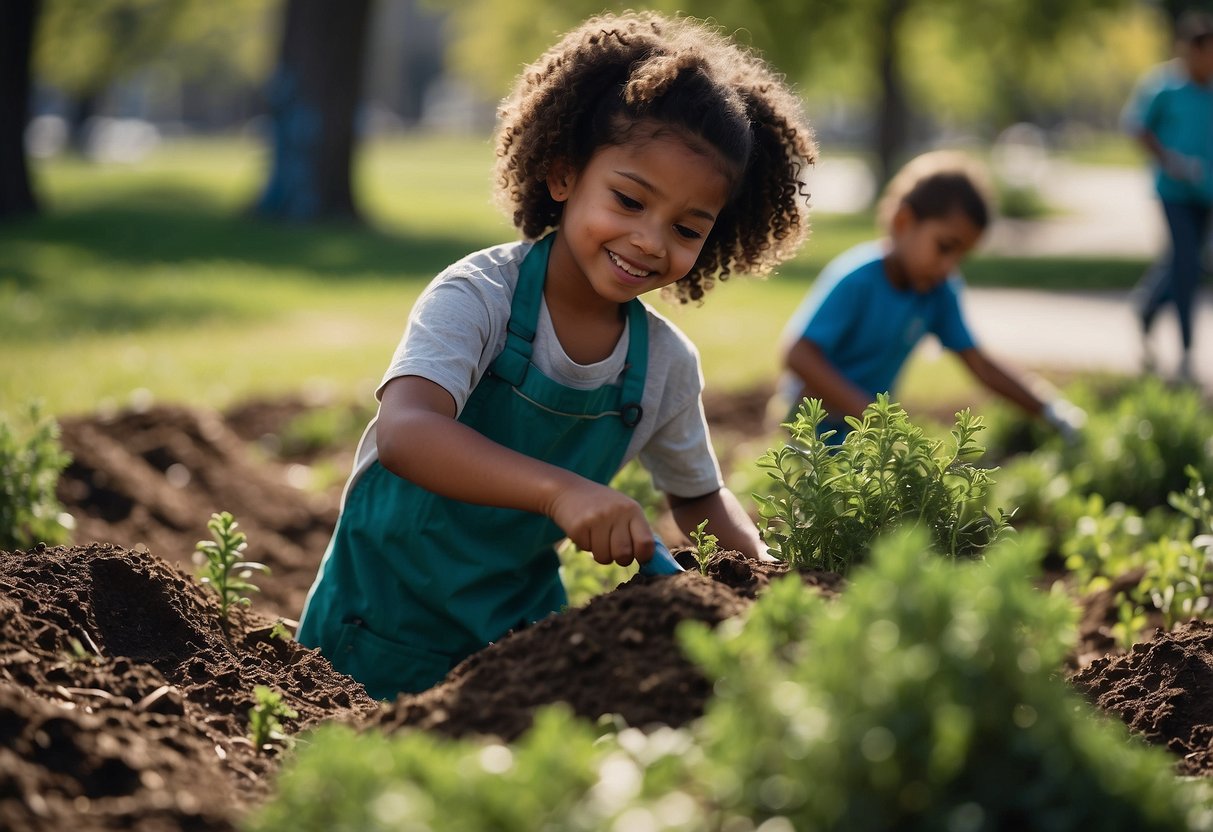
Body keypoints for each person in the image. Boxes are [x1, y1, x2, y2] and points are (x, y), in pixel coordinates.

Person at [296, 12, 817, 699]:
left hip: (515, 637)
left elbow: (699, 498)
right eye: (628, 200)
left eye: (687, 227)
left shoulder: (663, 363)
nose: (649, 241)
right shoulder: (476, 298)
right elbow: (407, 433)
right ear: (564, 174)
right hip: (376, 627)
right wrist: (562, 491)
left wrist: (768, 590)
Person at [777, 150, 1085, 444]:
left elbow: (980, 364)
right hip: (811, 429)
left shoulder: (938, 291)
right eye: (944, 247)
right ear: (902, 222)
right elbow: (798, 354)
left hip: (868, 432)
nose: (950, 266)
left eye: (961, 256)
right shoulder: (858, 279)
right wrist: (872, 415)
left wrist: (1052, 411)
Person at [1122, 10, 1213, 383]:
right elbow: (1136, 127)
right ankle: (1188, 351)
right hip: (1174, 191)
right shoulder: (1164, 86)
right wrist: (1169, 160)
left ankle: (1146, 307)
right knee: (1187, 264)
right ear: (1189, 51)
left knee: (1186, 261)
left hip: (1206, 193)